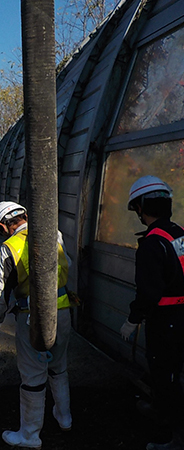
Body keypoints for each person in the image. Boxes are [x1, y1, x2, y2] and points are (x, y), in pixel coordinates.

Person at [0, 201, 72, 449]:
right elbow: (66, 266)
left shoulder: (8, 248)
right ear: (25, 215)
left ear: (3, 226)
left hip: (31, 316)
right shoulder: (53, 234)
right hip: (63, 309)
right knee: (58, 366)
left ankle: (30, 435)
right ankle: (65, 418)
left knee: (33, 375)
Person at [120, 176, 184, 450]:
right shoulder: (178, 234)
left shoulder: (151, 244)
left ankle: (171, 439)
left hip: (165, 323)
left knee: (164, 376)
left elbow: (148, 292)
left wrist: (132, 320)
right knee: (173, 375)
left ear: (141, 208)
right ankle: (161, 408)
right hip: (180, 319)